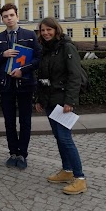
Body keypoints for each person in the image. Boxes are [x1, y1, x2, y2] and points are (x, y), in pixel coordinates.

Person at [35, 17, 87, 195]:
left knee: (65, 139)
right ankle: (67, 170)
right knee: (59, 137)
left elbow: (74, 76)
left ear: (56, 30)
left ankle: (80, 179)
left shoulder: (67, 47)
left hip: (63, 102)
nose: (46, 33)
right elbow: (42, 77)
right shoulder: (45, 49)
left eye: (49, 30)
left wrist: (70, 101)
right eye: (43, 30)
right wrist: (39, 100)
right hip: (50, 102)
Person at [0, 3, 41, 169]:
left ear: (17, 16)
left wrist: (22, 70)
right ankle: (13, 152)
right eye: (5, 16)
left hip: (25, 84)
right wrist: (2, 55)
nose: (9, 18)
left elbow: (38, 59)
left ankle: (23, 154)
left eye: (11, 15)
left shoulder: (29, 35)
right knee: (9, 121)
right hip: (6, 85)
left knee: (25, 121)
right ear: (2, 19)